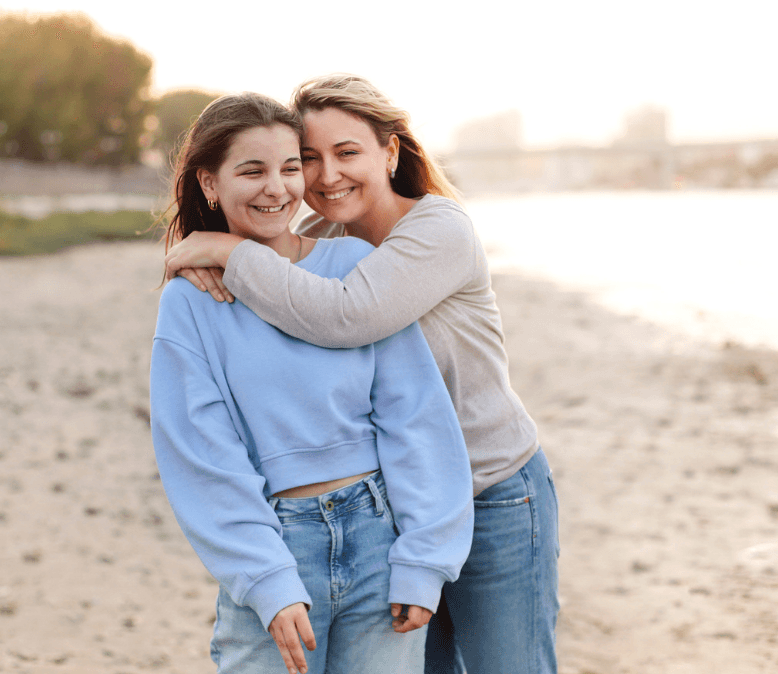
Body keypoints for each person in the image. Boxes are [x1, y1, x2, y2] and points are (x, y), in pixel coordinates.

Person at [162, 75, 560, 674]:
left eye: (347, 153)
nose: (324, 177)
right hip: (400, 507)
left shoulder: (437, 229)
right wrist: (219, 254)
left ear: (391, 152)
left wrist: (228, 252)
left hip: (491, 487)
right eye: (311, 159)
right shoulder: (321, 241)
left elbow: (349, 315)